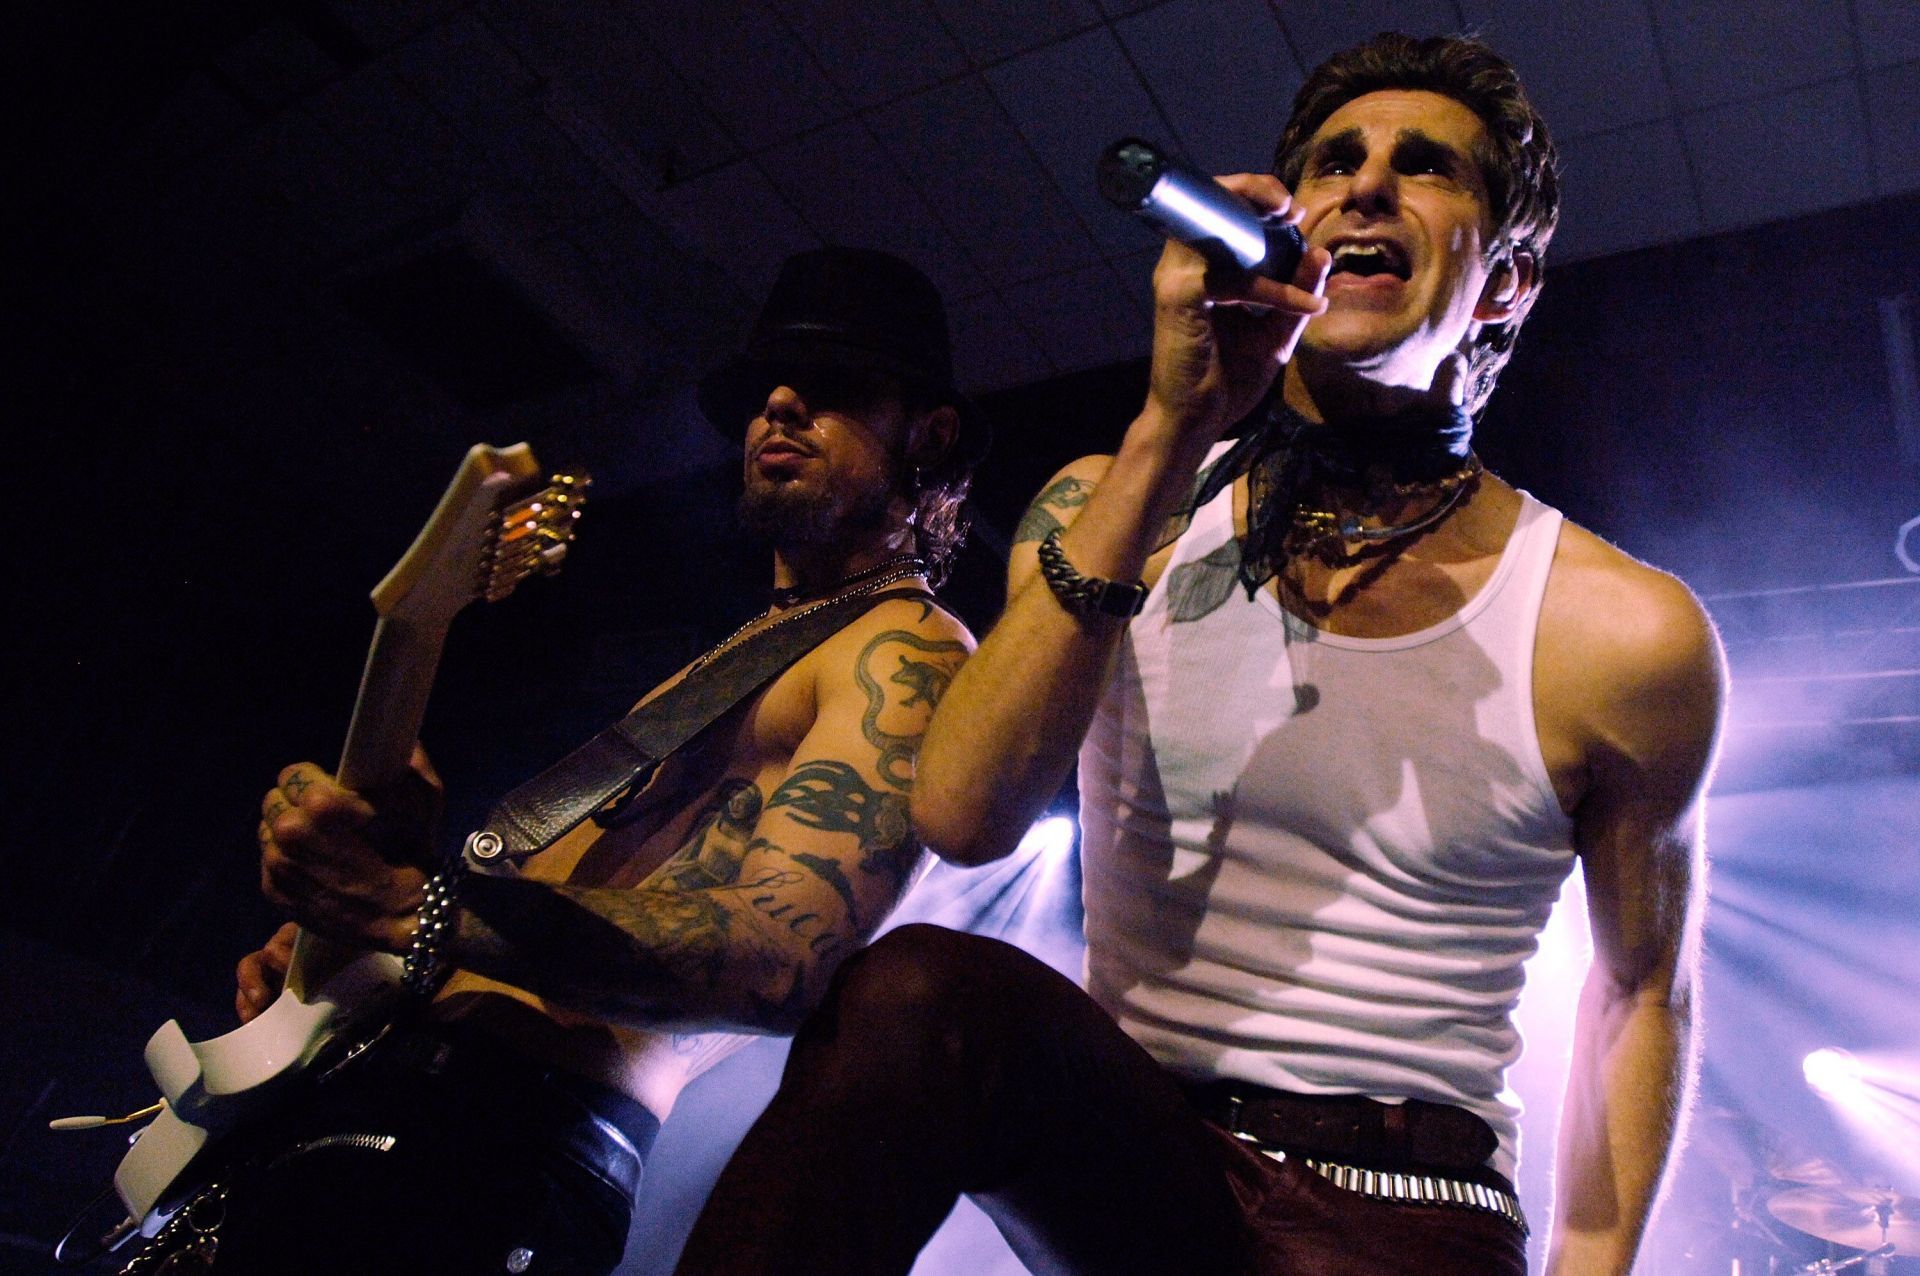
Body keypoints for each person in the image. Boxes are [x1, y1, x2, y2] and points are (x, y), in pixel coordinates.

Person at [676, 32, 1724, 1276]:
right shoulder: (1111, 505)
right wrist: (1172, 425)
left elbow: (1642, 993)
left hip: (1404, 1204)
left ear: (1504, 282)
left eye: (1425, 167)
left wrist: (1593, 1266)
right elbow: (961, 814)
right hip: (1140, 1168)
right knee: (918, 994)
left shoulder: (1623, 629)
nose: (1366, 186)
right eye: (1334, 162)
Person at [127, 247, 981, 1274]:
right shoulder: (731, 662)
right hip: (393, 1104)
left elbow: (775, 958)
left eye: (833, 385)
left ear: (928, 435)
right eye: (769, 386)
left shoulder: (909, 650)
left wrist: (410, 908)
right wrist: (352, 958)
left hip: (502, 1149)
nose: (781, 404)